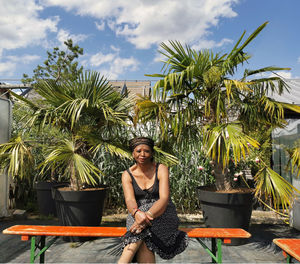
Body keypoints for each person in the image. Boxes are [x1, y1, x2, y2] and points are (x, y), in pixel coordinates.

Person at [118, 137, 188, 263]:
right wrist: (137, 214)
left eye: (147, 151)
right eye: (138, 151)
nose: (142, 154)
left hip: (163, 212)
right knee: (143, 239)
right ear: (133, 153)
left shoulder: (161, 169)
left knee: (138, 234)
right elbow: (129, 200)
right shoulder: (127, 174)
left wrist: (147, 216)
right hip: (137, 214)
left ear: (152, 153)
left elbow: (164, 198)